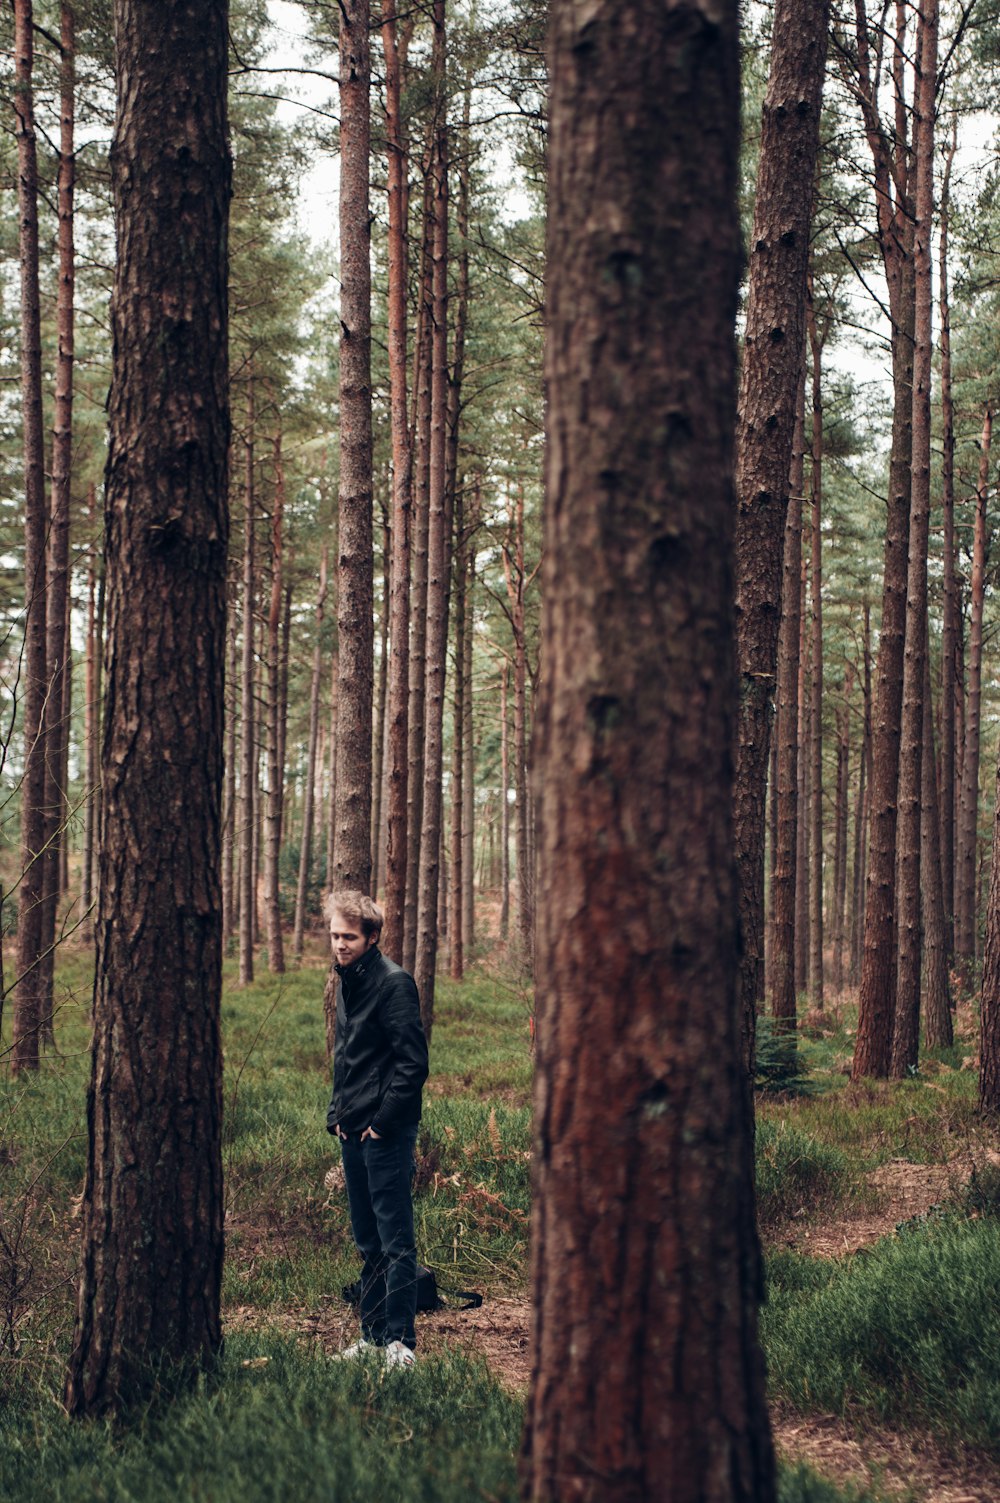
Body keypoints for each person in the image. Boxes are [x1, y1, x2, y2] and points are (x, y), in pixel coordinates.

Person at [325, 889, 429, 1368]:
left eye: (349, 936)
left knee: (396, 1242)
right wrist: (339, 1119)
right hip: (352, 1130)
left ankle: (400, 1344)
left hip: (384, 1134)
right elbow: (349, 1059)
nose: (340, 944)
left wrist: (382, 1127)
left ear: (372, 937)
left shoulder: (394, 984)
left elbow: (413, 1065)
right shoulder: (347, 980)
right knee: (368, 1242)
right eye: (334, 935)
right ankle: (370, 1339)